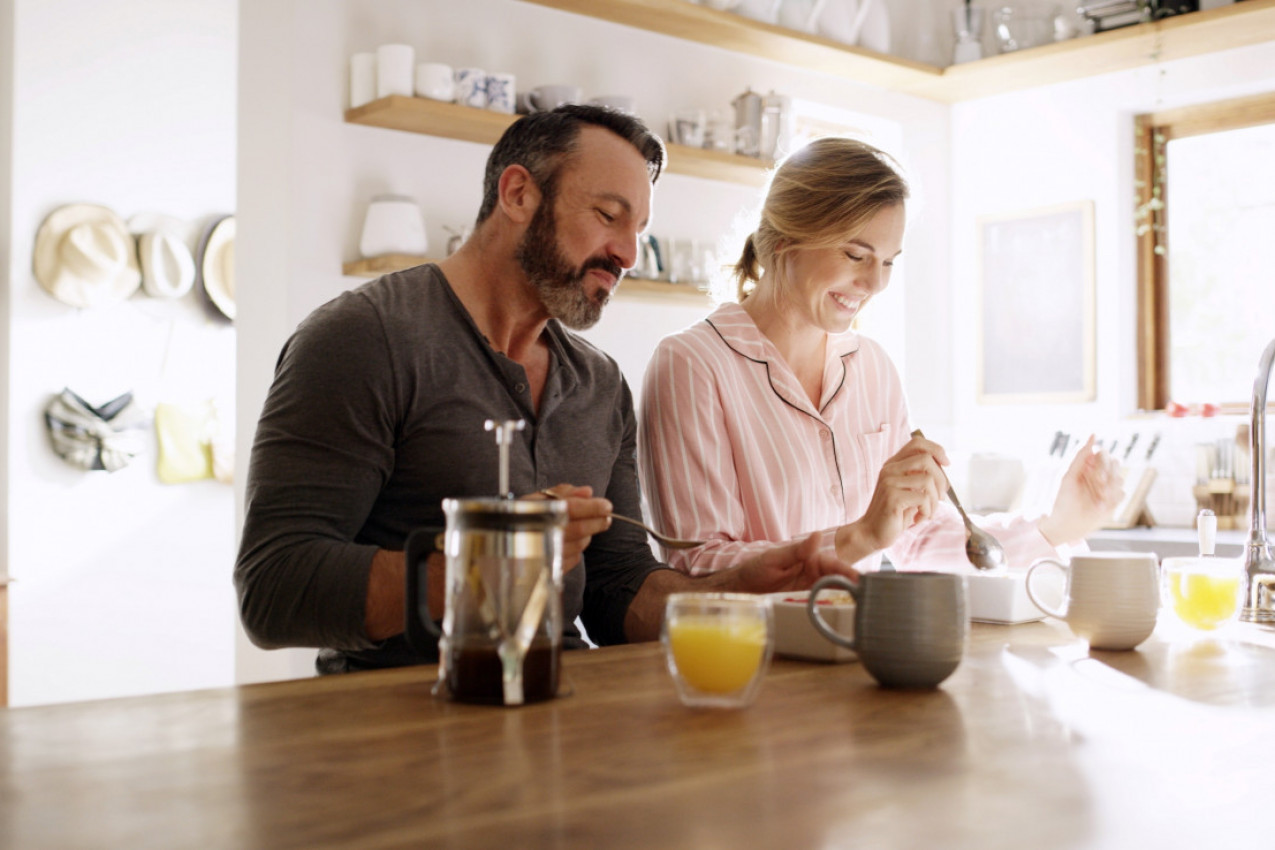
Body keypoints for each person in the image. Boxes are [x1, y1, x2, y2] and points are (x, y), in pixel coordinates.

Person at [234, 105, 849, 674]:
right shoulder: (363, 339)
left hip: (563, 715)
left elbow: (617, 594)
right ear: (518, 193)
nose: (628, 253)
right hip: (400, 732)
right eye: (608, 216)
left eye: (639, 230)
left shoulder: (600, 384)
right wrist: (498, 561)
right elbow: (274, 588)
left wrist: (742, 585)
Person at [638, 137, 1123, 577]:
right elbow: (697, 567)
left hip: (857, 655)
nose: (875, 284)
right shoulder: (691, 365)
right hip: (751, 664)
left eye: (889, 262)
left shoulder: (872, 369)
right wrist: (859, 537)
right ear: (787, 239)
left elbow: (916, 537)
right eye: (856, 255)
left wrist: (1055, 526)